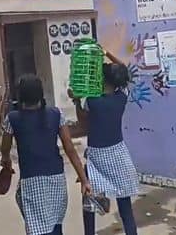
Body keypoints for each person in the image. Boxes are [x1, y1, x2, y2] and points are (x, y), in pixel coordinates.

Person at [0, 75, 91, 235]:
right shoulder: (56, 114)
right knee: (56, 227)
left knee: (38, 230)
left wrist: (6, 162)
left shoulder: (12, 119)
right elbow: (69, 149)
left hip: (31, 180)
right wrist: (84, 180)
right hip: (56, 179)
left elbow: (5, 149)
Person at [70, 62, 139, 235]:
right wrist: (106, 52)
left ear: (103, 80)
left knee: (89, 204)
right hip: (118, 153)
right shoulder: (122, 96)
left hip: (97, 157)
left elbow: (83, 123)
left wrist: (77, 101)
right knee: (125, 208)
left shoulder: (93, 101)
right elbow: (128, 74)